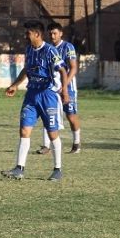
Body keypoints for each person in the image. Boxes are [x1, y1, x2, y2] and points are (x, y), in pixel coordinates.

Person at [2, 20, 69, 181]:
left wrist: (64, 90)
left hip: (48, 96)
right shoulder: (29, 50)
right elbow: (27, 69)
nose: (25, 36)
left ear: (37, 34)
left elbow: (63, 70)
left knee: (53, 133)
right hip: (31, 95)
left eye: (28, 33)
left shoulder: (50, 51)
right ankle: (19, 168)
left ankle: (57, 169)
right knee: (24, 130)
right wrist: (16, 85)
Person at [35, 22, 82, 155]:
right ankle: (46, 146)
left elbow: (73, 67)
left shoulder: (68, 47)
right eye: (50, 33)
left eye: (55, 33)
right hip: (51, 88)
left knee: (71, 116)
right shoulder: (46, 48)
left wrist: (65, 85)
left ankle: (76, 143)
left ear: (61, 33)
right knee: (47, 113)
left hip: (68, 88)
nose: (52, 35)